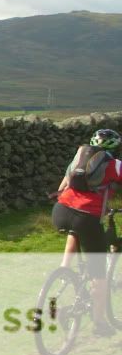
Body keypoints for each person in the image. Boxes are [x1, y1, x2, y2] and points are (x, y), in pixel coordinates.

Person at [51, 128, 122, 336]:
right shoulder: (115, 165)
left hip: (60, 211)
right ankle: (99, 323)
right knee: (99, 274)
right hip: (87, 217)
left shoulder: (80, 156)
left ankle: (64, 271)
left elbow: (63, 186)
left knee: (75, 230)